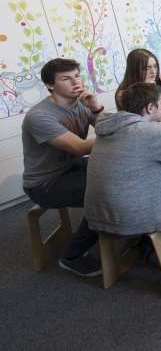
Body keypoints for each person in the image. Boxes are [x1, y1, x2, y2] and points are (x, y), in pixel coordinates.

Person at [85, 82, 161, 238]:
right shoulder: (150, 131)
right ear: (150, 108)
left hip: (98, 218)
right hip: (132, 221)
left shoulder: (109, 126)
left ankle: (145, 245)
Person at [21, 59, 104, 277]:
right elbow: (80, 147)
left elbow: (105, 127)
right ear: (50, 85)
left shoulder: (82, 104)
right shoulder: (39, 116)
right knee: (109, 193)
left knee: (123, 171)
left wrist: (96, 107)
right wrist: (124, 135)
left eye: (77, 76)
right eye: (66, 78)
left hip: (73, 167)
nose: (76, 82)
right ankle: (72, 257)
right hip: (45, 184)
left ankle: (129, 229)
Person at [116, 48, 161, 115]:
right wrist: (145, 89)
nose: (153, 71)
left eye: (155, 66)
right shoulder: (122, 94)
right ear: (135, 70)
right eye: (147, 68)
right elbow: (140, 115)